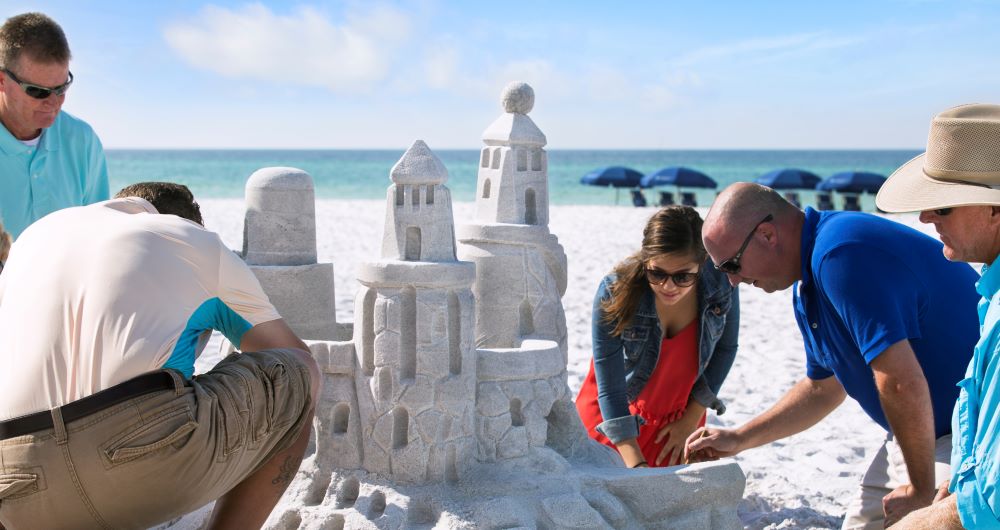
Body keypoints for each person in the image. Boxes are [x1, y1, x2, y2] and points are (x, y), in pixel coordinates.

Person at [0, 182, 320, 529]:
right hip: (143, 466)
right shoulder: (193, 239)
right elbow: (287, 354)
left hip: (17, 484)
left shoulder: (35, 236)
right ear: (187, 222)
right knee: (297, 374)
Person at [687, 182, 981, 529]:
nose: (733, 281)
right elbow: (822, 389)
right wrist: (739, 438)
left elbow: (899, 381)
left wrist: (919, 491)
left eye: (732, 265)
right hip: (917, 431)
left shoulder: (839, 254)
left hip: (975, 433)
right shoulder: (809, 279)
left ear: (767, 234)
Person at [875, 103, 1000, 529]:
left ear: (995, 210)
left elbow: (991, 503)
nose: (926, 217)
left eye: (942, 207)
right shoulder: (991, 292)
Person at [575, 205, 740, 468]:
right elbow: (610, 388)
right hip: (615, 423)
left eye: (683, 276)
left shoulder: (721, 284)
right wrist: (636, 464)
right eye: (657, 273)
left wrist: (690, 420)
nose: (669, 286)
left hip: (681, 424)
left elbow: (726, 349)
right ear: (645, 262)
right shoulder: (614, 291)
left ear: (703, 263)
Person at [0, 12, 109, 240]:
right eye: (38, 91)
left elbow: (99, 236)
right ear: (2, 81)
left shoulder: (83, 140)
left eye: (61, 88)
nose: (53, 102)